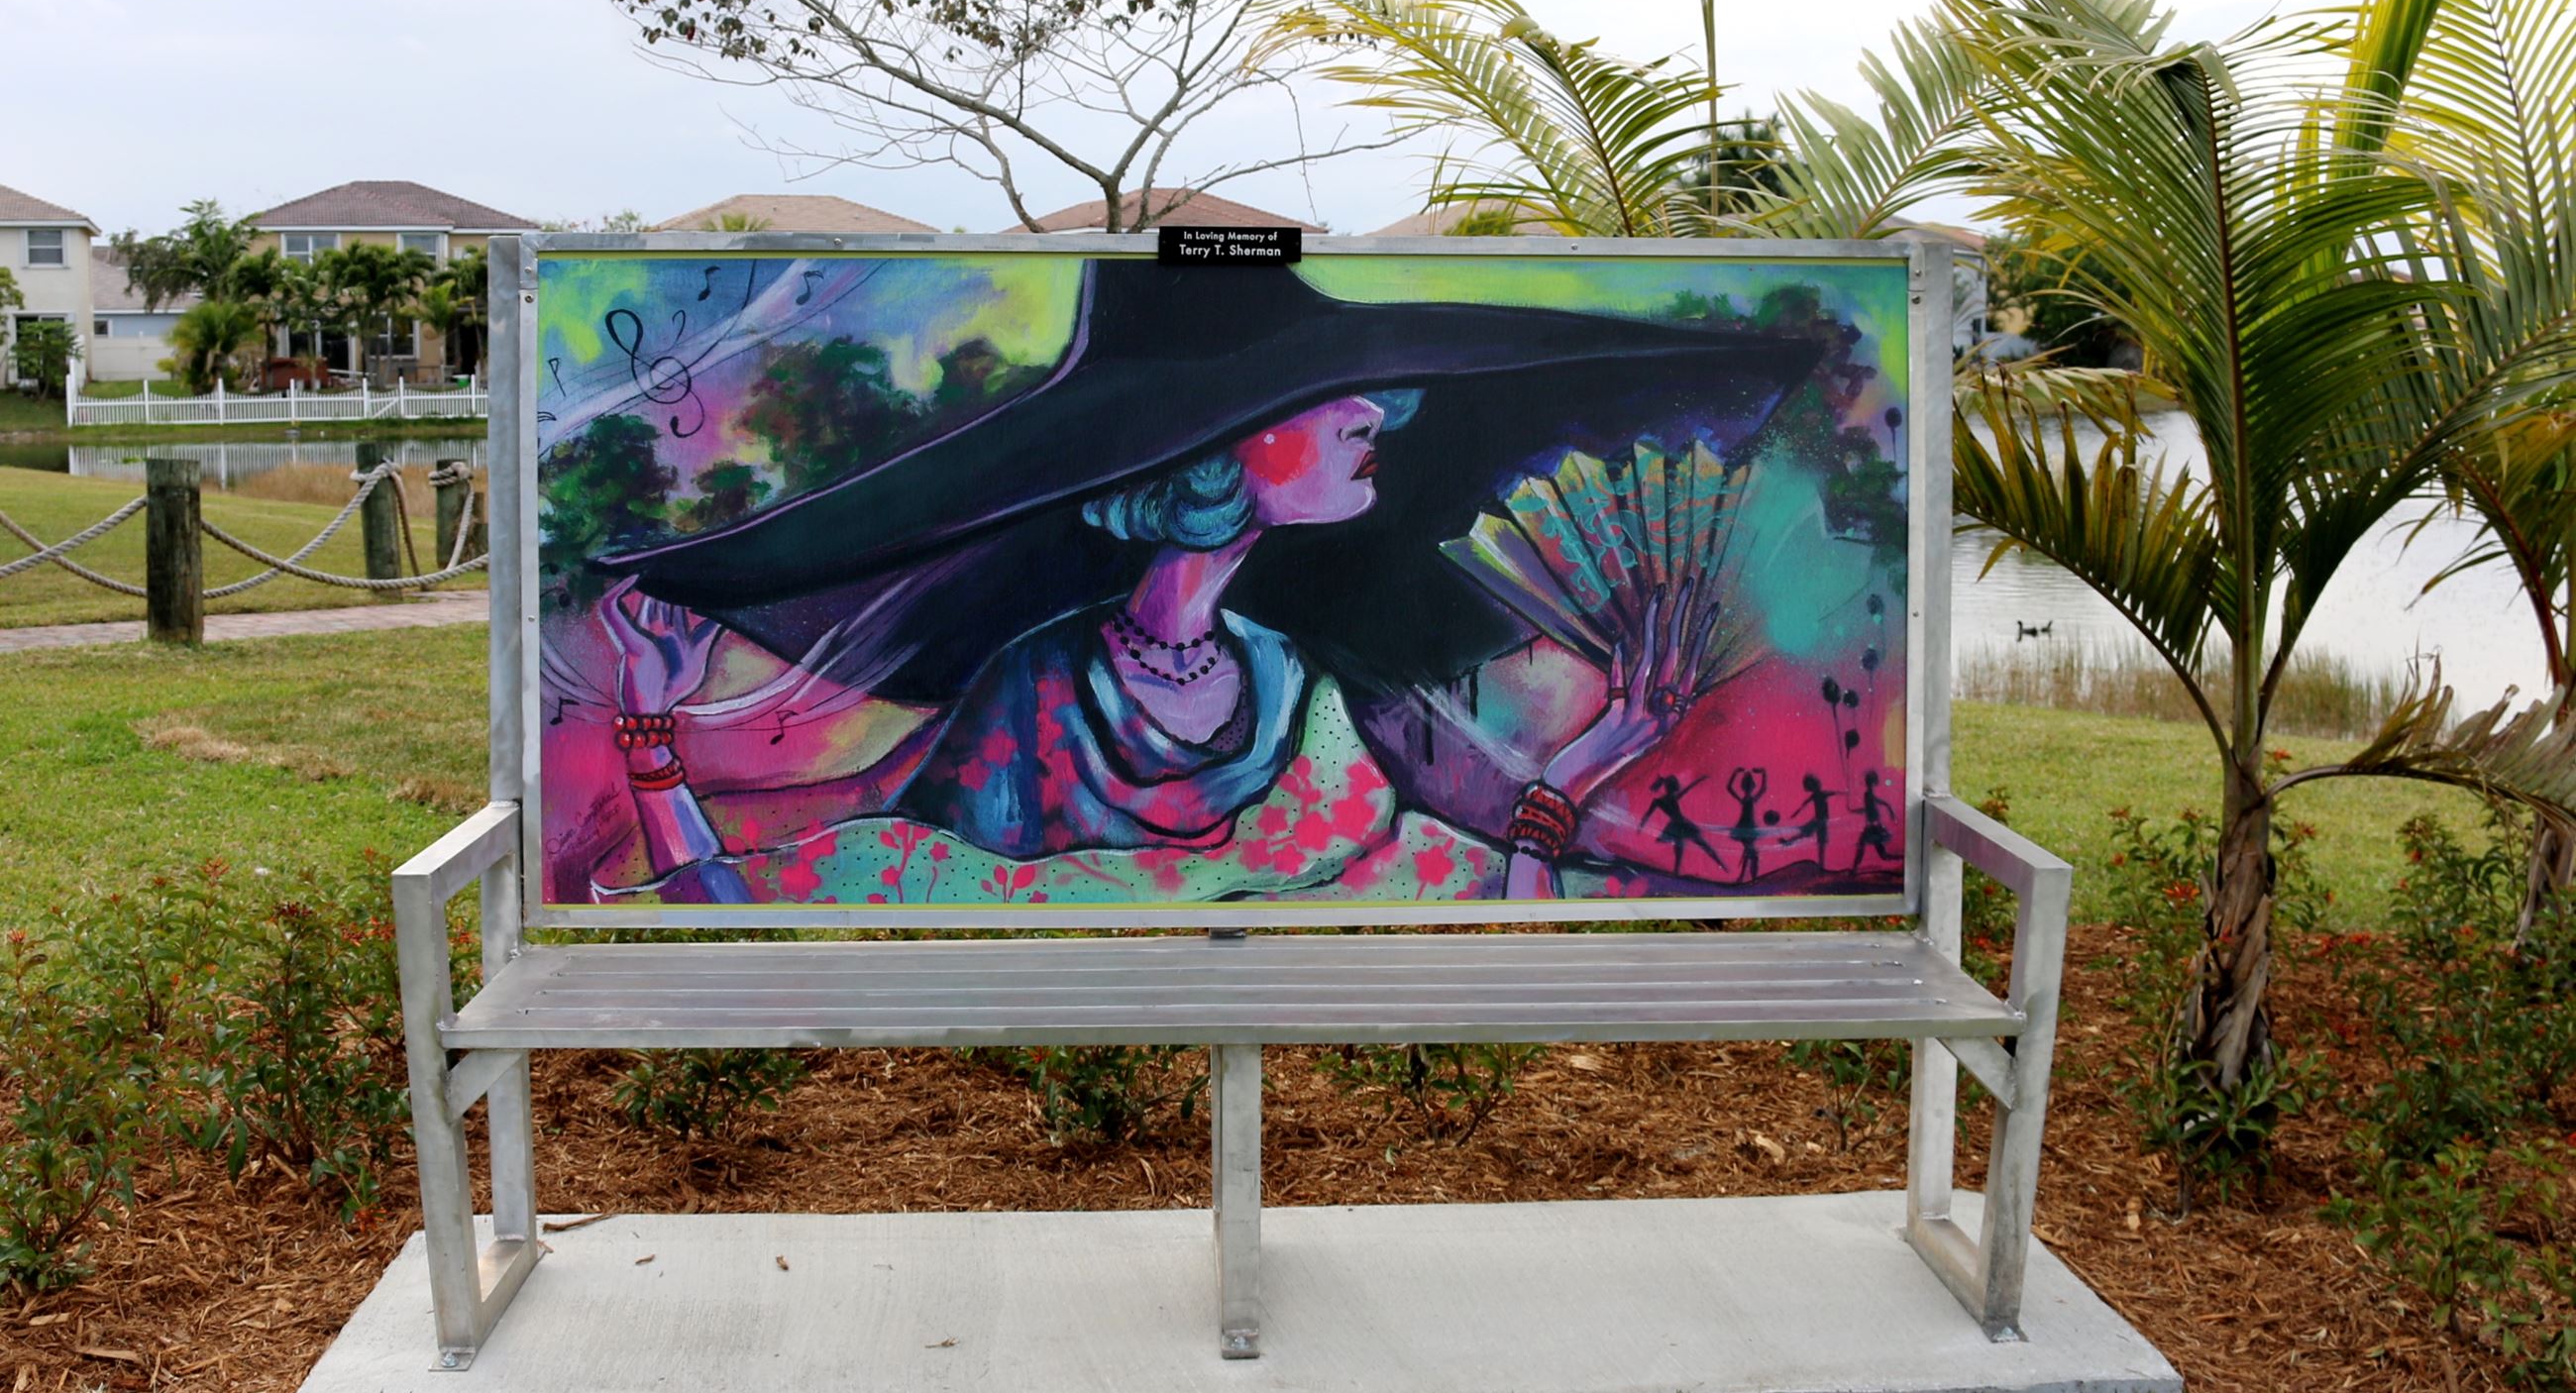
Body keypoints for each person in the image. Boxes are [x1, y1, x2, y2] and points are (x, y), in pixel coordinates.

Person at [581, 260, 1819, 907]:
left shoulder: (1299, 689)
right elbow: (779, 873)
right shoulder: (1041, 696)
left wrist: (1583, 767)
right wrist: (649, 728)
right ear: (1207, 452)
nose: (1364, 418)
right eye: (1307, 400)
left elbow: (1499, 894)